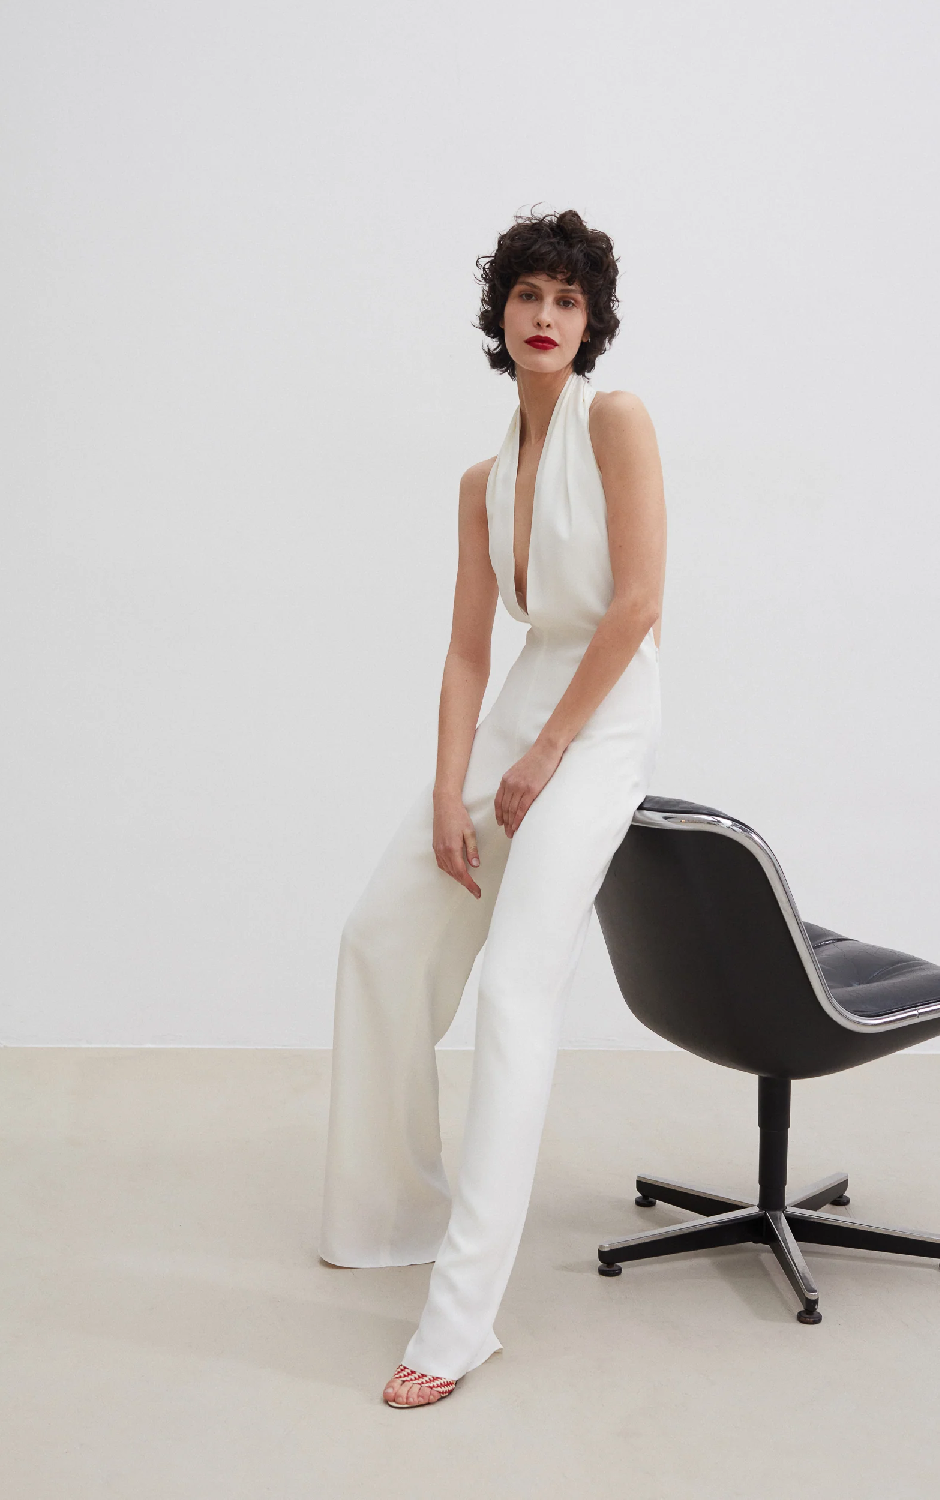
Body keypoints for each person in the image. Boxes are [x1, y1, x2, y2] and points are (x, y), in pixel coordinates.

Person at [319, 208, 666, 1408]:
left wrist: (550, 753)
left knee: (516, 988)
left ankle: (461, 1322)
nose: (545, 316)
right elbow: (469, 652)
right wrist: (449, 793)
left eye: (568, 300)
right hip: (521, 702)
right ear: (500, 314)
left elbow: (637, 605)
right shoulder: (482, 480)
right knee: (379, 936)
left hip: (605, 714)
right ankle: (391, 1212)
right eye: (528, 295)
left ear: (590, 322)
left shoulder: (616, 422)